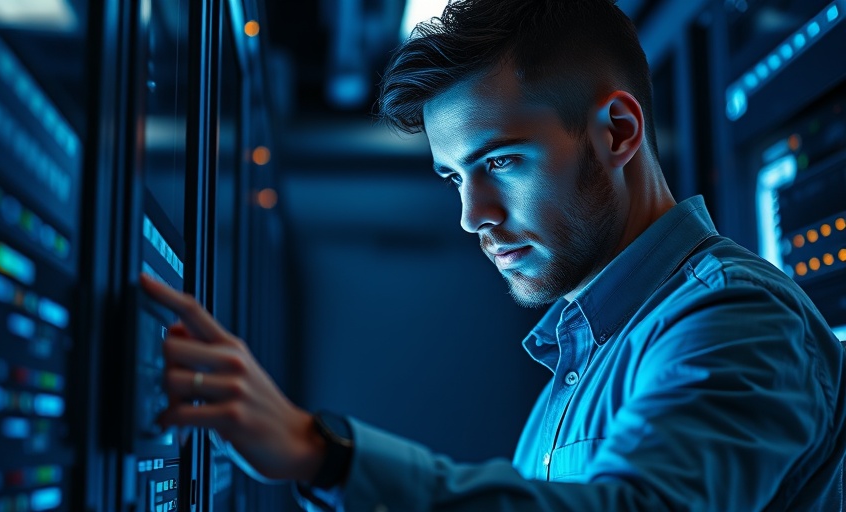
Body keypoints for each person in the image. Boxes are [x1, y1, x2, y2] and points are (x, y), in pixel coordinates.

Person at [140, 0, 846, 509]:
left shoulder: (736, 318)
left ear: (619, 131)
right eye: (455, 178)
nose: (472, 216)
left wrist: (324, 452)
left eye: (503, 162)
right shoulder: (580, 362)